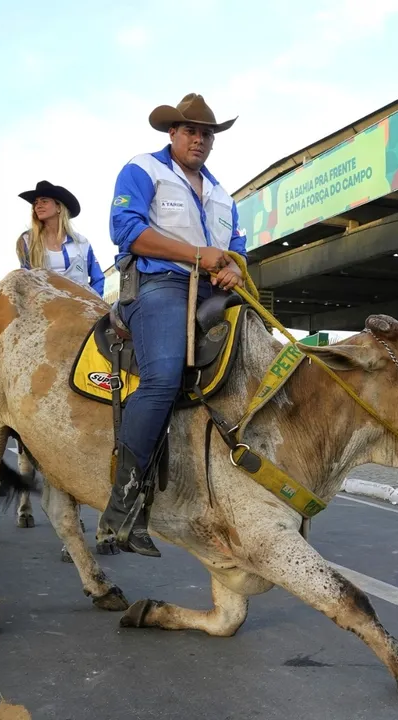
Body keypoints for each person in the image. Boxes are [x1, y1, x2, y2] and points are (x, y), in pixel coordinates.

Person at [102, 92, 247, 557]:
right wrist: (197, 256)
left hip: (215, 292)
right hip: (160, 285)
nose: (199, 140)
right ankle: (121, 507)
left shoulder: (224, 194)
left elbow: (239, 246)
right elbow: (125, 229)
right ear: (173, 133)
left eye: (206, 134)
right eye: (191, 131)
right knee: (163, 377)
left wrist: (236, 269)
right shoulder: (143, 169)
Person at [15, 180, 106, 295]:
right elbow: (25, 281)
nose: (38, 205)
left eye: (44, 201)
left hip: (80, 308)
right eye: (36, 203)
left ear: (59, 207)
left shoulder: (81, 242)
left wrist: (95, 307)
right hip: (45, 309)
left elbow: (97, 278)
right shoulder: (28, 241)